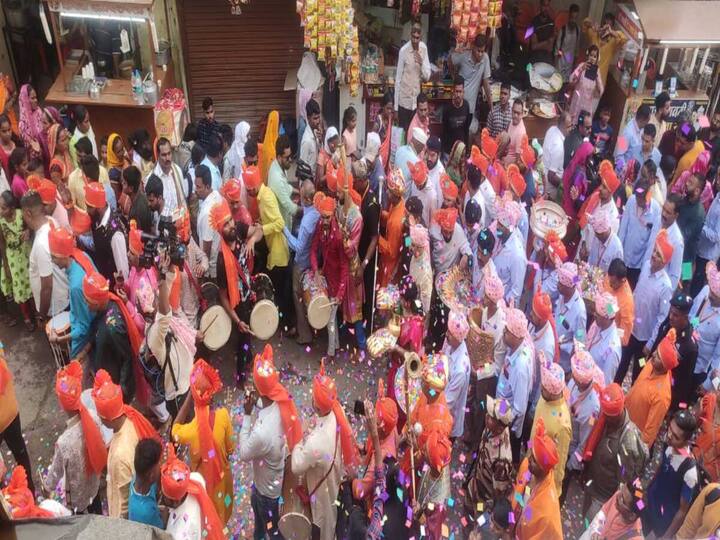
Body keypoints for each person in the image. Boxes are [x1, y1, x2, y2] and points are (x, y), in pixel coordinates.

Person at [292, 361, 359, 540]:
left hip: (322, 493)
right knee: (331, 513)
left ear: (317, 405)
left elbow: (296, 465)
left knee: (323, 525)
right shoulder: (337, 412)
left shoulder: (316, 443)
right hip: (333, 478)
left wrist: (297, 440)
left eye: (313, 397)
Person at [172, 360, 234, 524]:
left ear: (194, 397)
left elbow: (174, 431)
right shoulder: (223, 415)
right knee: (222, 510)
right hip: (222, 479)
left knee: (207, 517)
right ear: (211, 394)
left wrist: (188, 400)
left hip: (203, 484)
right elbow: (231, 448)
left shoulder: (190, 431)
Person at [91, 368, 159, 518]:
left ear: (107, 419)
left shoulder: (120, 456)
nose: (99, 419)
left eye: (99, 416)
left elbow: (125, 501)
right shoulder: (128, 415)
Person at [43, 361, 106, 513]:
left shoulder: (64, 443)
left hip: (78, 497)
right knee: (96, 509)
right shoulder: (94, 418)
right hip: (94, 485)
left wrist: (46, 488)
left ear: (62, 404)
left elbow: (55, 473)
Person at [581, 383, 648, 520]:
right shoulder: (606, 419)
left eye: (607, 415)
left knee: (589, 529)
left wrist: (611, 511)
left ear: (616, 414)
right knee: (585, 518)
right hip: (592, 484)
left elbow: (624, 482)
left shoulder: (628, 444)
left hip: (602, 498)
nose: (603, 416)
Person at [616, 229, 674, 384]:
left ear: (665, 262)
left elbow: (662, 318)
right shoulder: (647, 265)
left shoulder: (666, 286)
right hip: (631, 328)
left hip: (644, 339)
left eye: (659, 255)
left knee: (638, 370)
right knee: (621, 363)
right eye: (654, 251)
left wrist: (650, 343)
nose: (654, 256)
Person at [245, 166, 292, 329]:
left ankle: (287, 325)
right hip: (275, 250)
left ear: (253, 187)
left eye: (248, 189)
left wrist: (262, 229)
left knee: (281, 293)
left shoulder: (266, 198)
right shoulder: (262, 195)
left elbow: (279, 223)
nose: (248, 192)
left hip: (279, 253)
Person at [644, 410, 699, 538]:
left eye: (675, 436)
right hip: (647, 508)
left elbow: (682, 511)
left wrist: (666, 536)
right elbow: (659, 472)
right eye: (669, 429)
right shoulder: (668, 445)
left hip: (660, 524)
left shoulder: (689, 473)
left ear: (687, 440)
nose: (669, 436)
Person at [310, 192, 348, 358]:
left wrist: (340, 293)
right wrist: (315, 270)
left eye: (327, 218)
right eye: (322, 217)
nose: (324, 221)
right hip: (326, 279)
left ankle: (331, 354)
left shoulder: (338, 236)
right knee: (331, 317)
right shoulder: (320, 225)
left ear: (332, 216)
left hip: (337, 282)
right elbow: (313, 249)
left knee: (330, 319)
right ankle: (336, 346)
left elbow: (345, 267)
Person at [511, 418, 562, 539]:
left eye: (534, 460)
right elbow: (519, 491)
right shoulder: (527, 467)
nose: (528, 460)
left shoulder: (547, 510)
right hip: (518, 523)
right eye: (531, 455)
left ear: (544, 469)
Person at [161, 444, 225, 540]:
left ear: (176, 501)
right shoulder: (195, 479)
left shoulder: (181, 534)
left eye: (164, 497)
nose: (161, 499)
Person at [23, 191, 69, 323]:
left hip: (55, 308)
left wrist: (42, 315)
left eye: (24, 216)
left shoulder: (40, 244)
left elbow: (47, 286)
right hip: (63, 296)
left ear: (28, 214)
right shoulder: (52, 221)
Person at [625, 328, 675, 446]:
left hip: (633, 438)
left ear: (664, 366)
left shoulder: (662, 396)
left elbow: (650, 431)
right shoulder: (651, 364)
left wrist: (638, 451)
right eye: (656, 351)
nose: (652, 355)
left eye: (657, 356)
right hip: (625, 418)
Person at [647, 292, 697, 411]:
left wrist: (674, 407)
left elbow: (684, 382)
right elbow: (655, 349)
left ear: (685, 317)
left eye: (675, 315)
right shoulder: (668, 325)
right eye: (670, 312)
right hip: (649, 375)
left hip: (664, 391)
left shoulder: (689, 346)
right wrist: (644, 366)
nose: (670, 317)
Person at [285, 179, 320, 344]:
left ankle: (305, 335)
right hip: (314, 262)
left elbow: (298, 247)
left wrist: (283, 230)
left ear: (305, 199)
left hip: (302, 264)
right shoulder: (317, 211)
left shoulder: (306, 222)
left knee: (299, 297)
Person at [496, 307, 533, 459]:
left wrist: (501, 422)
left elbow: (518, 407)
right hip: (503, 405)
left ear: (517, 336)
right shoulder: (515, 348)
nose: (504, 333)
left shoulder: (520, 367)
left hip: (507, 422)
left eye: (507, 331)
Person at [464, 395, 514, 510]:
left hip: (484, 497)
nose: (487, 416)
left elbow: (499, 492)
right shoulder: (491, 428)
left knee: (477, 516)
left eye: (491, 417)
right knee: (467, 506)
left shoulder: (502, 460)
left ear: (500, 428)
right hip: (475, 482)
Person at [352, 381, 399, 501]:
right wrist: (363, 448)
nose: (370, 419)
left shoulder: (378, 460)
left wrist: (352, 480)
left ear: (381, 428)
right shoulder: (392, 427)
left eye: (375, 421)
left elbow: (360, 492)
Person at [0, 349, 35, 494]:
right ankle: (30, 491)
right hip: (12, 415)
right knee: (21, 454)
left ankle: (5, 504)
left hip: (8, 417)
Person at [0, 191, 34, 330]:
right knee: (20, 288)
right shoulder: (1, 222)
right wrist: (6, 265)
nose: (1, 210)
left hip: (27, 253)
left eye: (3, 208)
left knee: (32, 282)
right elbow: (2, 244)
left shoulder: (21, 214)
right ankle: (26, 317)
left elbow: (30, 227)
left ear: (12, 208)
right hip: (13, 259)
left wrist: (28, 232)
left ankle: (37, 313)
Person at [84, 181, 128, 284]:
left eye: (89, 207)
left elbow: (123, 273)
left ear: (98, 208)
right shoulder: (97, 220)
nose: (87, 211)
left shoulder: (115, 235)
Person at [618, 184, 661, 287]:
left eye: (641, 200)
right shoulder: (632, 200)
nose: (638, 202)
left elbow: (651, 242)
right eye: (637, 198)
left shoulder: (655, 210)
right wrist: (618, 254)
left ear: (647, 197)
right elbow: (623, 228)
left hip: (638, 263)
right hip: (624, 257)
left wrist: (645, 267)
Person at [354, 160, 380, 332]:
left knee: (368, 295)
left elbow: (374, 238)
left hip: (368, 260)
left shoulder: (371, 204)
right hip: (360, 252)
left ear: (362, 181)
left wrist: (364, 264)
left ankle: (368, 330)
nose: (353, 183)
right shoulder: (363, 195)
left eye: (354, 180)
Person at [449, 35, 493, 134]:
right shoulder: (463, 55)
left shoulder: (485, 59)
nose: (480, 54)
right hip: (458, 101)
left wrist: (491, 108)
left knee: (468, 132)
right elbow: (450, 61)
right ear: (473, 47)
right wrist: (454, 77)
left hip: (470, 106)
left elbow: (486, 84)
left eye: (482, 51)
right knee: (456, 129)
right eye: (478, 51)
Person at [413, 430, 452, 539]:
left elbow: (431, 534)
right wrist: (415, 445)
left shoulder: (437, 505)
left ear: (431, 462)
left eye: (425, 450)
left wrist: (420, 515)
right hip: (422, 505)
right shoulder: (441, 463)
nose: (423, 449)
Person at [395, 22, 431, 131]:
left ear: (420, 37)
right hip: (404, 101)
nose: (415, 40)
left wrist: (421, 63)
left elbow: (427, 77)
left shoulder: (423, 49)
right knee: (404, 133)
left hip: (416, 103)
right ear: (410, 35)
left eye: (417, 38)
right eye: (413, 37)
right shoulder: (403, 51)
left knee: (416, 134)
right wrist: (396, 108)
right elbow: (398, 80)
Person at [691, 262, 720, 392]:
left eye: (714, 296)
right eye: (711, 291)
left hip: (698, 369)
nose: (710, 296)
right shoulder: (706, 291)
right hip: (683, 354)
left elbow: (718, 358)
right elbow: (693, 314)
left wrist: (708, 384)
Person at [491, 196, 526, 304]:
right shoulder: (499, 234)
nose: (497, 227)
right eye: (498, 223)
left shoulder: (517, 256)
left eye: (501, 225)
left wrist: (498, 304)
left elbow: (515, 293)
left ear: (510, 227)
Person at [443, 310, 470, 441]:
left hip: (448, 418)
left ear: (457, 337)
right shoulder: (451, 344)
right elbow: (442, 363)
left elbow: (448, 403)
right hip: (440, 394)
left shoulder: (460, 369)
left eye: (449, 333)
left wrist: (429, 395)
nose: (446, 335)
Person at [555, 262, 587, 373]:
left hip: (563, 366)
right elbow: (559, 318)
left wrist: (572, 372)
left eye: (561, 282)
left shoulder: (579, 312)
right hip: (553, 355)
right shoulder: (562, 296)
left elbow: (580, 344)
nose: (557, 284)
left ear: (568, 286)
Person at [378, 167, 406, 287]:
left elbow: (391, 251)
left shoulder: (396, 223)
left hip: (390, 265)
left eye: (389, 191)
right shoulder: (399, 203)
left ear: (395, 195)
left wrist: (376, 237)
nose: (387, 193)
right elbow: (390, 216)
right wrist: (381, 214)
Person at [582, 12, 628, 86]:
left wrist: (612, 32)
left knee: (596, 96)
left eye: (608, 26)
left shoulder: (612, 43)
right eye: (604, 24)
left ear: (611, 28)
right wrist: (592, 25)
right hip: (587, 76)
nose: (605, 29)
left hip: (600, 80)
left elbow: (624, 39)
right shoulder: (594, 35)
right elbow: (585, 23)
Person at [194, 164, 223, 277]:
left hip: (210, 271)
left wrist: (202, 266)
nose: (196, 190)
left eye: (198, 187)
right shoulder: (216, 195)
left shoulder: (207, 213)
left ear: (207, 186)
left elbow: (206, 248)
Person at [128, 438, 164, 528]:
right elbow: (161, 530)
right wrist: (166, 513)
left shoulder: (138, 478)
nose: (161, 466)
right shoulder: (146, 513)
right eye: (159, 464)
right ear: (151, 475)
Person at [693, 178, 720, 296]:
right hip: (696, 248)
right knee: (689, 277)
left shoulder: (698, 211)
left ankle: (692, 311)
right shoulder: (717, 195)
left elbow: (716, 236)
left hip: (707, 255)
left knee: (697, 286)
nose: (717, 180)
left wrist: (701, 225)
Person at [677, 171, 707, 274]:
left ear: (697, 191)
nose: (686, 183)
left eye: (690, 183)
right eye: (688, 180)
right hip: (677, 253)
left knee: (681, 287)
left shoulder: (698, 214)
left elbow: (684, 237)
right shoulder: (685, 200)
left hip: (686, 261)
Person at [268, 134, 299, 229]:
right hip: (281, 227)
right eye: (287, 157)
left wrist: (299, 191)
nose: (290, 160)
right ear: (279, 157)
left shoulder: (280, 166)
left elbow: (286, 187)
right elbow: (290, 207)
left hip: (286, 219)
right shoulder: (276, 177)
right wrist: (308, 210)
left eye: (291, 156)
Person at [656, 193, 685, 290]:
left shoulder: (677, 241)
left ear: (676, 215)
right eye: (663, 209)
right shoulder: (658, 220)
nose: (663, 214)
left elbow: (674, 275)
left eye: (668, 212)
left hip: (660, 288)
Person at [569, 45, 604, 122]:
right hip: (576, 103)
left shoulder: (597, 71)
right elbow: (571, 80)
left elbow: (600, 92)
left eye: (595, 56)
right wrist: (581, 69)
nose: (592, 58)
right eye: (591, 55)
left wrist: (597, 80)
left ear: (597, 59)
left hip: (587, 107)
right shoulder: (582, 65)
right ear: (588, 55)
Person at [542, 111, 572, 201]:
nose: (570, 129)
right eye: (569, 126)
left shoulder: (551, 129)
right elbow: (551, 176)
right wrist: (564, 186)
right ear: (562, 125)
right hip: (550, 189)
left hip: (543, 174)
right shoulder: (558, 146)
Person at [152, 137, 187, 215]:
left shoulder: (177, 170)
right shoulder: (153, 179)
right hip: (165, 224)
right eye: (164, 155)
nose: (167, 158)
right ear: (157, 155)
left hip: (182, 221)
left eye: (169, 153)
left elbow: (183, 197)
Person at [441, 76, 471, 155]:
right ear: (453, 91)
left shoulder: (466, 106)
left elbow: (466, 130)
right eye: (456, 91)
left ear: (463, 92)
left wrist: (467, 149)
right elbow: (444, 131)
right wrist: (442, 151)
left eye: (460, 92)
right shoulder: (447, 108)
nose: (458, 95)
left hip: (461, 150)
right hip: (448, 151)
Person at [395, 127, 427, 196]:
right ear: (419, 145)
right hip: (403, 200)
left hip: (393, 192)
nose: (422, 150)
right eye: (422, 147)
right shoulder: (416, 162)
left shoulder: (400, 149)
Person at [121, 166, 153, 234]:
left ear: (131, 188)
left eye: (124, 183)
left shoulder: (135, 212)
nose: (122, 184)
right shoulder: (143, 197)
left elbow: (136, 236)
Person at [17, 84, 43, 162]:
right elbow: (29, 145)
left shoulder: (39, 112)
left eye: (36, 97)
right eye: (32, 98)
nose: (36, 100)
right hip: (33, 160)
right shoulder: (22, 124)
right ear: (25, 100)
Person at [555, 4, 580, 80]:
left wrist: (575, 67)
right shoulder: (563, 30)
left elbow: (576, 50)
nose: (573, 21)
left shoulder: (578, 30)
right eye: (572, 18)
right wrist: (555, 66)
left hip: (570, 66)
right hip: (560, 65)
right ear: (569, 16)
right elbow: (556, 50)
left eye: (575, 18)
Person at [499, 100, 527, 167]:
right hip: (502, 158)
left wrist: (504, 165)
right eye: (514, 112)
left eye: (518, 113)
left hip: (507, 166)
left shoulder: (521, 133)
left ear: (522, 113)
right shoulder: (511, 121)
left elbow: (518, 162)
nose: (515, 115)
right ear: (511, 111)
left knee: (491, 171)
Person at [408, 160, 436, 225]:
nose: (417, 187)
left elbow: (432, 219)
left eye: (420, 185)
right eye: (416, 184)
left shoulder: (432, 195)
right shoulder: (414, 183)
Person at [529, 0, 556, 64]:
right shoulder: (533, 22)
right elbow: (533, 46)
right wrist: (547, 42)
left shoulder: (551, 23)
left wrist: (540, 44)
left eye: (547, 6)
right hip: (535, 58)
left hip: (547, 59)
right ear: (540, 6)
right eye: (544, 5)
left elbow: (550, 48)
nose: (546, 8)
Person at [300, 99, 322, 176]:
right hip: (309, 181)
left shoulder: (316, 133)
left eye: (319, 117)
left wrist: (320, 141)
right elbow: (302, 166)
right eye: (315, 118)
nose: (318, 121)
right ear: (308, 118)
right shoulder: (307, 140)